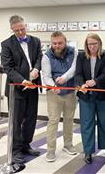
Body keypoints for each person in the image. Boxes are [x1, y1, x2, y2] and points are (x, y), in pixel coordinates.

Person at [1, 15, 42, 164]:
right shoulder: (6, 44)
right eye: (16, 30)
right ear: (11, 29)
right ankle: (16, 150)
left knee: (31, 118)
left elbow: (39, 57)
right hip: (16, 89)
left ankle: (26, 145)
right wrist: (23, 80)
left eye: (22, 29)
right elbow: (8, 68)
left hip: (33, 86)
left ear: (26, 26)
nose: (20, 33)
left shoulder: (35, 41)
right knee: (16, 120)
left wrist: (37, 69)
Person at [75, 33, 105, 164]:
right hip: (86, 97)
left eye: (95, 44)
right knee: (87, 124)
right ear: (86, 45)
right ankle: (88, 152)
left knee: (104, 123)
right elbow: (78, 74)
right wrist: (82, 84)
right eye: (90, 44)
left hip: (103, 96)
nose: (92, 46)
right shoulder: (81, 56)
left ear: (99, 44)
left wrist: (95, 81)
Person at [41, 31, 78, 162]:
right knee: (53, 120)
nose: (57, 46)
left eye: (60, 43)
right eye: (54, 43)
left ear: (65, 42)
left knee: (69, 119)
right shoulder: (46, 56)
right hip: (54, 93)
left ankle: (68, 145)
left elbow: (74, 68)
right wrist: (53, 86)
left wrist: (64, 77)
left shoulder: (74, 51)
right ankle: (50, 150)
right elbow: (46, 75)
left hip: (70, 92)